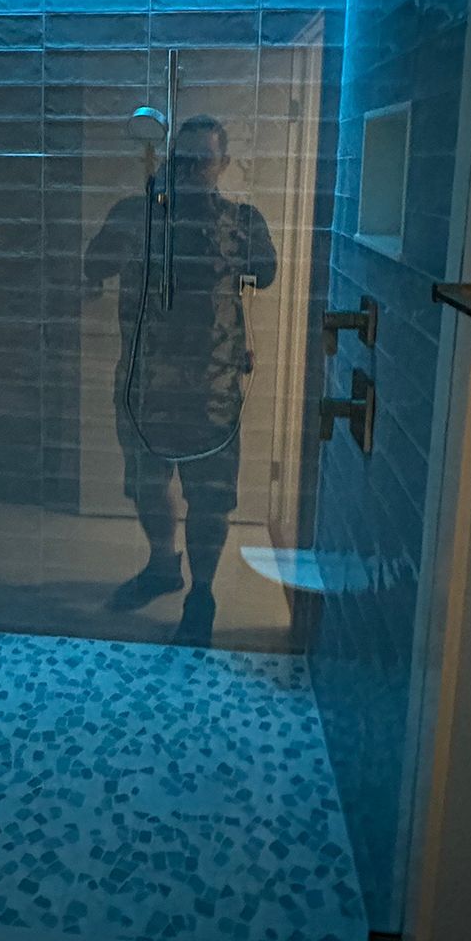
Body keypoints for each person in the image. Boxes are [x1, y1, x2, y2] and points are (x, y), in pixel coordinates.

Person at [83, 115, 276, 644]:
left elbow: (267, 270)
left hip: (212, 390)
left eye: (203, 160)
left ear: (223, 163)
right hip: (144, 383)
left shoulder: (242, 221)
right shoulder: (134, 214)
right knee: (149, 483)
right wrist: (147, 208)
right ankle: (163, 564)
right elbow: (92, 263)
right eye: (182, 159)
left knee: (210, 496)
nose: (192, 169)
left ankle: (204, 592)